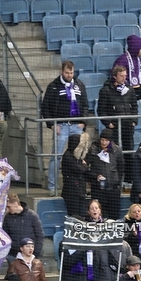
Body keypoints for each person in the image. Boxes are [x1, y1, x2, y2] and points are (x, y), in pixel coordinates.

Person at [41, 60, 89, 195]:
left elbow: (85, 104)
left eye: (72, 72)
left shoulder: (79, 85)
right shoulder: (53, 86)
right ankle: (52, 186)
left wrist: (83, 122)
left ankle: (79, 184)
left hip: (76, 125)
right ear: (62, 72)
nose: (70, 75)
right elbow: (46, 107)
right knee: (56, 156)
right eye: (67, 73)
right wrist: (52, 124)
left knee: (79, 155)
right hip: (61, 125)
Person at [87, 128, 126, 222]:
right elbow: (85, 167)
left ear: (111, 141)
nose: (104, 142)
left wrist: (117, 180)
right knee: (98, 217)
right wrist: (94, 177)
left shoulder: (117, 150)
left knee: (114, 216)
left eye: (106, 140)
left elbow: (121, 167)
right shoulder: (93, 150)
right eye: (102, 140)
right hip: (98, 189)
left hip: (113, 189)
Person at [98, 65, 138, 153]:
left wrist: (134, 121)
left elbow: (134, 106)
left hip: (128, 125)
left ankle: (129, 167)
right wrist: (108, 123)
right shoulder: (105, 90)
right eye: (121, 76)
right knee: (114, 151)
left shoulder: (130, 89)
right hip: (114, 127)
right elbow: (101, 109)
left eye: (125, 76)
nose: (124, 78)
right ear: (114, 76)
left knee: (129, 151)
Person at [3, 193, 45, 258]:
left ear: (15, 204)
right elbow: (5, 236)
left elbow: (40, 236)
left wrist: (35, 254)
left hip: (31, 254)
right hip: (13, 255)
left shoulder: (32, 215)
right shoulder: (7, 217)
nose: (7, 210)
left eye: (8, 207)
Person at [61, 132, 90, 218]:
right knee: (74, 216)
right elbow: (80, 169)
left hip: (80, 191)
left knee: (82, 215)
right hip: (71, 193)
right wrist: (84, 165)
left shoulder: (77, 157)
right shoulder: (68, 156)